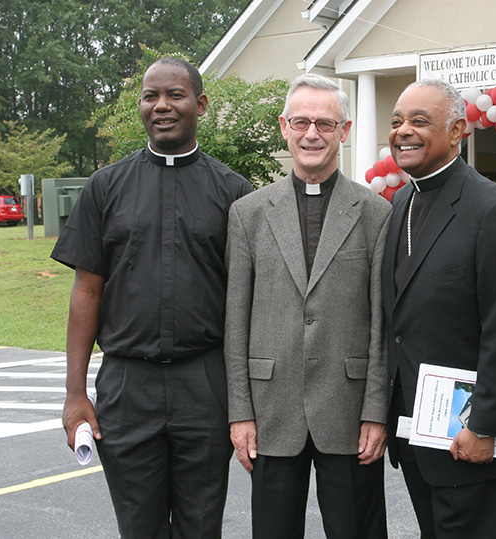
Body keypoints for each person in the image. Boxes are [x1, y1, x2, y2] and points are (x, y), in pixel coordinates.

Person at [53, 57, 253, 538]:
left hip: (205, 383)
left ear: (199, 104)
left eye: (175, 95)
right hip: (127, 385)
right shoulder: (105, 187)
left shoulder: (235, 195)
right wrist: (75, 393)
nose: (161, 106)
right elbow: (87, 290)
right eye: (150, 96)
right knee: (138, 528)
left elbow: (248, 302)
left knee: (201, 527)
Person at [224, 74, 391, 539]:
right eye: (301, 121)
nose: (311, 133)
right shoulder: (249, 214)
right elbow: (235, 320)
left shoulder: (376, 212)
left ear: (345, 130)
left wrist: (376, 410)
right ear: (284, 126)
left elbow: (381, 321)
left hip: (349, 409)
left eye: (324, 123)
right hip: (271, 410)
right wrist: (240, 412)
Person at [382, 79, 496, 538]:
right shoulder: (401, 201)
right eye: (396, 122)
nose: (403, 131)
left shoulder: (491, 208)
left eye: (419, 121)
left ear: (457, 131)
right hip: (418, 433)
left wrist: (485, 423)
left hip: (471, 439)